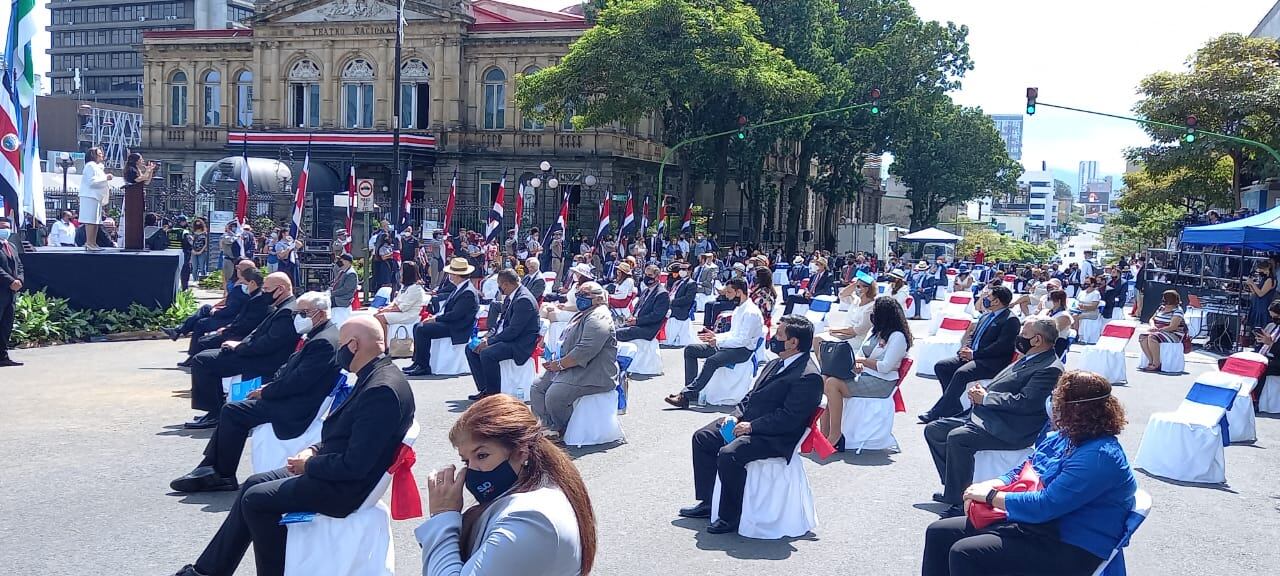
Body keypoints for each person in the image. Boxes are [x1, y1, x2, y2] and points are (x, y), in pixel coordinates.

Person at [171, 315, 415, 576]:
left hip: (346, 488)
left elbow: (355, 465)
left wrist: (310, 464)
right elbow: (348, 437)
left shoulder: (381, 390)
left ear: (353, 345)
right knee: (253, 484)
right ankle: (207, 571)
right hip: (335, 470)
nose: (339, 352)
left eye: (341, 345)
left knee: (256, 500)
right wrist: (313, 450)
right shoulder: (375, 375)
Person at [922, 370, 1136, 576]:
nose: (1053, 406)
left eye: (1059, 401)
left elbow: (1046, 505)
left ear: (1078, 411)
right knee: (939, 532)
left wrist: (990, 497)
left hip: (1073, 545)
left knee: (966, 553)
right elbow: (1026, 468)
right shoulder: (1065, 437)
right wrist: (992, 483)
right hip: (1042, 526)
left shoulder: (1099, 457)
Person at [170, 291, 340, 493]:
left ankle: (221, 473)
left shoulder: (323, 341)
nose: (298, 318)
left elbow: (299, 382)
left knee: (233, 411)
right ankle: (212, 467)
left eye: (303, 313)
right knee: (232, 410)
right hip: (291, 396)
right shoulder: (319, 334)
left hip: (298, 406)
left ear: (321, 313)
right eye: (296, 313)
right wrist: (271, 384)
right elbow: (289, 369)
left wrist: (266, 391)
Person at [417, 395, 595, 575]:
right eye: (466, 461)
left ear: (521, 452)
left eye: (481, 456)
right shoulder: (535, 489)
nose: (471, 470)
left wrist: (443, 516)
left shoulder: (531, 520)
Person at [677, 315, 823, 534]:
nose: (773, 338)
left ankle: (730, 516)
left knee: (730, 454)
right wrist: (735, 416)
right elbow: (751, 396)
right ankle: (708, 501)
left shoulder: (808, 376)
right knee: (703, 437)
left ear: (793, 342)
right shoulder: (776, 362)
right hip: (750, 423)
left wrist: (752, 426)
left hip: (775, 436)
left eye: (779, 335)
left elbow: (788, 418)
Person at [924, 318, 1063, 516]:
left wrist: (987, 398)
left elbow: (1026, 402)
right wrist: (984, 392)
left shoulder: (1050, 367)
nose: (1019, 337)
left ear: (1037, 340)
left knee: (958, 438)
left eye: (1024, 334)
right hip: (990, 416)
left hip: (1011, 428)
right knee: (934, 430)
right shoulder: (1029, 357)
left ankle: (961, 502)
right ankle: (954, 488)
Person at [184, 273, 300, 429]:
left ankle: (214, 413)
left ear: (280, 289)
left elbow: (268, 344)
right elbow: (257, 332)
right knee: (205, 356)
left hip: (263, 360)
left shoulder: (287, 312)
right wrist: (239, 343)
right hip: (255, 353)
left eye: (266, 289)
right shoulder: (280, 307)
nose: (263, 292)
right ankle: (215, 409)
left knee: (202, 361)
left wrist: (239, 347)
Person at [819, 296, 911, 450]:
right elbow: (860, 354)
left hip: (882, 381)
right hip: (865, 374)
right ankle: (824, 432)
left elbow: (885, 367)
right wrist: (857, 363)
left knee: (833, 384)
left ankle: (835, 434)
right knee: (825, 378)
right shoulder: (874, 331)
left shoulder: (898, 337)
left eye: (875, 312)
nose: (872, 315)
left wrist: (863, 361)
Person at [921, 286, 1021, 423]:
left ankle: (938, 411)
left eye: (989, 296)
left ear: (997, 301)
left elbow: (1001, 347)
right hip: (975, 356)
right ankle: (953, 406)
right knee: (942, 366)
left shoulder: (1010, 320)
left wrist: (974, 355)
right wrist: (966, 349)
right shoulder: (986, 316)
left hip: (993, 362)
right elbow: (973, 336)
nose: (985, 298)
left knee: (962, 373)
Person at [532, 282, 619, 437]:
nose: (579, 297)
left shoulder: (599, 316)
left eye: (585, 294)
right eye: (578, 293)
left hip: (592, 372)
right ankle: (545, 426)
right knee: (537, 387)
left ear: (599, 298)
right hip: (570, 366)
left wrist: (560, 364)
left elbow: (585, 350)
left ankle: (561, 427)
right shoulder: (584, 312)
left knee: (555, 395)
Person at [666, 278, 764, 408]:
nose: (726, 296)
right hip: (731, 346)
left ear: (739, 292)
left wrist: (718, 341)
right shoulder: (740, 309)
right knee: (690, 350)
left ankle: (686, 395)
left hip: (743, 350)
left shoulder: (751, 312)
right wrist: (715, 337)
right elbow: (733, 334)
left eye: (729, 292)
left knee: (712, 361)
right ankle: (692, 392)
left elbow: (743, 340)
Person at [466, 269, 540, 400]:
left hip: (520, 343)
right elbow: (500, 323)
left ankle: (493, 395)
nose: (499, 288)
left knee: (487, 353)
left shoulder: (524, 300)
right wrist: (487, 336)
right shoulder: (511, 297)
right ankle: (484, 388)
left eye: (499, 285)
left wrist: (490, 342)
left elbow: (513, 331)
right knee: (471, 348)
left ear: (506, 284)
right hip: (508, 337)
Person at [180, 266, 272, 363]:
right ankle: (182, 334)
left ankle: (199, 361)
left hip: (240, 333)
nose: (243, 286)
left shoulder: (257, 300)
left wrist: (227, 330)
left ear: (252, 283)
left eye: (244, 283)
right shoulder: (254, 296)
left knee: (203, 341)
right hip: (234, 326)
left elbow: (245, 324)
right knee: (203, 333)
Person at [406, 258, 480, 377]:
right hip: (453, 323)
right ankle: (418, 362)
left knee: (422, 329)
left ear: (457, 275)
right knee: (417, 326)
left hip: (458, 327)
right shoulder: (461, 288)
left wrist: (435, 319)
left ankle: (423, 366)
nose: (450, 276)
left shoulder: (468, 292)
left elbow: (455, 315)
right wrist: (435, 317)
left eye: (451, 273)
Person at [166, 259, 257, 345]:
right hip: (228, 312)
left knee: (201, 323)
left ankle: (189, 344)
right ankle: (178, 330)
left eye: (238, 268)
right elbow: (229, 300)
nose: (236, 269)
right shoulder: (238, 282)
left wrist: (216, 311)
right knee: (206, 308)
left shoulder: (248, 286)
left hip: (232, 319)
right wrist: (216, 306)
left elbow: (233, 309)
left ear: (245, 271)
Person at [374, 261, 427, 342]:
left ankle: (384, 344)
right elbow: (395, 302)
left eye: (402, 271)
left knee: (380, 317)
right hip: (401, 311)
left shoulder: (416, 289)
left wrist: (385, 310)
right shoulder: (404, 286)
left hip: (409, 314)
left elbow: (403, 308)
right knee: (376, 314)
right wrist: (385, 308)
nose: (400, 273)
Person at [617, 264, 670, 343]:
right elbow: (637, 307)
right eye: (646, 275)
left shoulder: (662, 294)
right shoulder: (645, 291)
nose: (647, 277)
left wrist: (637, 321)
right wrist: (631, 318)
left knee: (617, 333)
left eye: (650, 275)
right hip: (636, 323)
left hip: (647, 328)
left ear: (657, 277)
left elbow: (656, 316)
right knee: (613, 328)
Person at [1137, 289, 1185, 373]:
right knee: (1142, 337)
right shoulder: (1161, 308)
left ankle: (1156, 363)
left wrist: (1159, 330)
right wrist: (1153, 326)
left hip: (1173, 333)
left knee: (1152, 337)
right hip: (1158, 330)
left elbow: (1173, 327)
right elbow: (1152, 319)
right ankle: (1151, 360)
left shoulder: (1178, 311)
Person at [79, 147, 112, 252]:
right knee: (90, 220)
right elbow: (92, 182)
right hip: (90, 196)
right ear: (93, 155)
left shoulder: (97, 167)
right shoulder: (90, 166)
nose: (102, 155)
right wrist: (106, 177)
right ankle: (89, 242)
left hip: (96, 196)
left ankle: (93, 242)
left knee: (96, 221)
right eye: (99, 154)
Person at [0, 217, 23, 366]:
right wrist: (10, 281)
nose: (5, 230)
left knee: (6, 325)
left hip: (10, 294)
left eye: (7, 227)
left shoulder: (11, 246)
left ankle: (2, 356)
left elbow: (19, 265)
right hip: (2, 288)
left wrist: (19, 280)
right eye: (2, 227)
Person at [1038, 289, 1073, 360]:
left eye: (1050, 299)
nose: (1047, 301)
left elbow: (1052, 331)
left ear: (1059, 301)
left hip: (1055, 343)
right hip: (1042, 340)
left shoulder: (1064, 316)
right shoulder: (1047, 312)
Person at [1246, 259, 1276, 333]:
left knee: (1262, 328)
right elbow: (1255, 293)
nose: (1259, 271)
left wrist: (1252, 283)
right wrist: (1250, 285)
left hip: (1263, 307)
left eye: (1260, 269)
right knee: (1254, 329)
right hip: (1256, 305)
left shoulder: (1270, 280)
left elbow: (1261, 294)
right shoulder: (1264, 279)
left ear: (1266, 269)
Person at [329, 253, 358, 323]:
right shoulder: (342, 272)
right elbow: (335, 283)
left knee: (325, 302)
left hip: (343, 299)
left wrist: (331, 294)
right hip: (337, 296)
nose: (339, 262)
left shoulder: (351, 274)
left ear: (347, 262)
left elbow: (345, 289)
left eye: (341, 260)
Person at [666, 262, 697, 327]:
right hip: (671, 305)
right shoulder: (678, 282)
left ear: (690, 271)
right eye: (680, 269)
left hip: (680, 309)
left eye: (684, 269)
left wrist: (671, 302)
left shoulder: (691, 283)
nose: (681, 271)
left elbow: (687, 299)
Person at [220, 221, 244, 293]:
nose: (235, 228)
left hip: (238, 260)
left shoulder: (240, 236)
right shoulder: (225, 236)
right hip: (229, 260)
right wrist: (237, 236)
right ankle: (227, 293)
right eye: (233, 226)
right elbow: (230, 241)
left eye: (236, 226)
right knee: (228, 278)